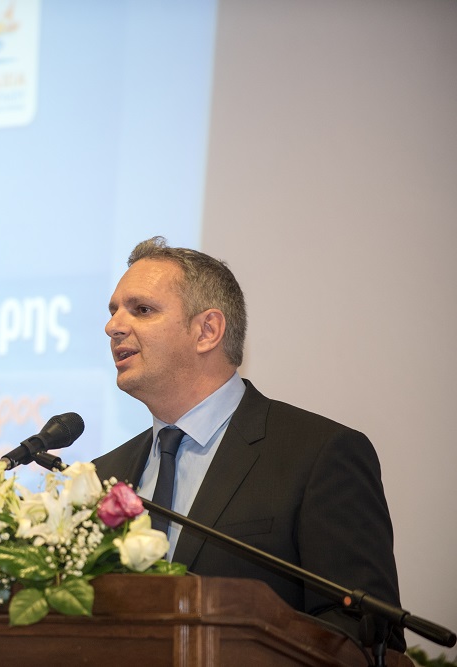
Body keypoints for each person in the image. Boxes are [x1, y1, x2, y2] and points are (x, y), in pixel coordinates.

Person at [92, 236, 403, 649]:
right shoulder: (101, 476)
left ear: (207, 331)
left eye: (142, 310)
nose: (113, 326)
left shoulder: (319, 456)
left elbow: (363, 630)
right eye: (113, 310)